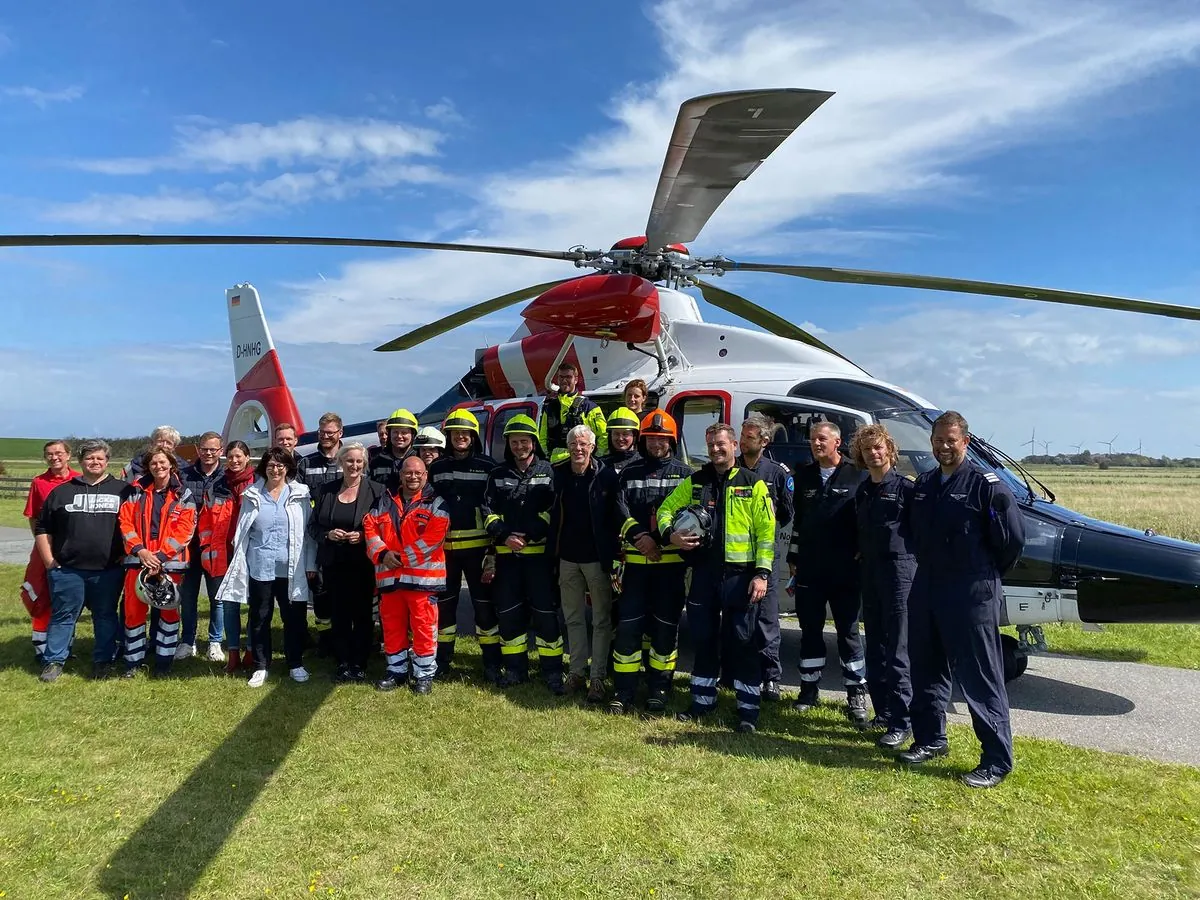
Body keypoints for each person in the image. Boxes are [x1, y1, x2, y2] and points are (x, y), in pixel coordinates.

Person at [899, 411, 1025, 789]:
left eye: (950, 440)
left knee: (979, 676)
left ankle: (996, 760)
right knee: (926, 666)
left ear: (965, 442)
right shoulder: (925, 484)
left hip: (971, 590)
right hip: (929, 586)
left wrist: (980, 574)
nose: (943, 446)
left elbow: (1011, 541)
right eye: (938, 440)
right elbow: (913, 532)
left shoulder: (987, 486)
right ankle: (930, 739)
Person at [660, 423, 775, 732]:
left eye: (721, 444)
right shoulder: (696, 481)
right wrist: (671, 535)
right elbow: (666, 509)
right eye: (711, 445)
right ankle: (701, 702)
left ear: (734, 445)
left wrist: (762, 574)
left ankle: (748, 712)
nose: (715, 449)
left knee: (742, 641)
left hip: (741, 577)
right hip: (704, 574)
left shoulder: (754, 484)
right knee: (704, 639)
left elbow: (767, 534)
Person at [608, 411, 692, 715]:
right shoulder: (628, 473)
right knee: (628, 627)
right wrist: (640, 536)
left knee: (665, 629)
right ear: (644, 440)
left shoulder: (686, 475)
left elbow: (691, 518)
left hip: (670, 568)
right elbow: (618, 509)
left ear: (670, 440)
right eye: (651, 438)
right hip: (635, 566)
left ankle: (659, 688)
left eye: (662, 438)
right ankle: (623, 690)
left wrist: (663, 541)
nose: (656, 443)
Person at [787, 421, 869, 725]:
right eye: (812, 440)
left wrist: (863, 548)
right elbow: (799, 524)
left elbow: (865, 520)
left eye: (822, 439)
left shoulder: (856, 475)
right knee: (810, 630)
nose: (816, 444)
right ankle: (808, 689)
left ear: (837, 443)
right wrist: (793, 556)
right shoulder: (804, 476)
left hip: (846, 570)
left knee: (848, 632)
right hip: (810, 568)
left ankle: (855, 692)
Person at [215, 447, 316, 687]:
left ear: (288, 468)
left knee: (294, 617)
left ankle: (295, 663)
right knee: (259, 617)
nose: (275, 469)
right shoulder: (252, 495)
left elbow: (308, 534)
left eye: (280, 465)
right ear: (264, 468)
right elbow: (242, 533)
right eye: (271, 465)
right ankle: (260, 665)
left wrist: (310, 564)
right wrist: (241, 565)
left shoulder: (300, 494)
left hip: (291, 567)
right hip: (260, 567)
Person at [35, 439, 132, 682]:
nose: (95, 462)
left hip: (108, 570)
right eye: (89, 458)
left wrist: (126, 553)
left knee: (105, 615)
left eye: (100, 458)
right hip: (67, 570)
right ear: (80, 462)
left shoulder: (123, 490)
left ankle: (103, 661)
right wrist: (48, 560)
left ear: (107, 461)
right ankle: (54, 661)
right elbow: (42, 527)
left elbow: (135, 524)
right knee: (63, 615)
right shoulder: (62, 491)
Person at [482, 414, 564, 694]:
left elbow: (552, 511)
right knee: (508, 613)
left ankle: (552, 671)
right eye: (514, 442)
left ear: (533, 442)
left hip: (539, 558)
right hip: (507, 558)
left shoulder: (548, 471)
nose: (520, 446)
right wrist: (505, 535)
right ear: (508, 444)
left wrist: (527, 535)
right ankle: (516, 669)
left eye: (525, 441)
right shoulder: (497, 474)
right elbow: (487, 512)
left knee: (545, 614)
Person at [850, 424, 917, 749]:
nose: (873, 454)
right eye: (867, 450)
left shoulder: (906, 488)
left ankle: (902, 723)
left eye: (878, 448)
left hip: (899, 573)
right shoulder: (864, 490)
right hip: (871, 572)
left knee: (898, 650)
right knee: (874, 645)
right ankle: (884, 712)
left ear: (889, 450)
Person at [363, 456, 450, 694]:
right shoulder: (383, 501)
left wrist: (399, 558)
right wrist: (382, 554)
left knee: (424, 627)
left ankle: (423, 675)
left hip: (422, 581)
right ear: (401, 475)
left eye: (418, 473)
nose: (413, 477)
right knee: (392, 626)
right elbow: (369, 528)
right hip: (390, 580)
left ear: (425, 476)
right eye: (408, 473)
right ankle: (396, 671)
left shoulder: (436, 503)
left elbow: (434, 539)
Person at [549, 424, 619, 703]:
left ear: (592, 447)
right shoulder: (559, 474)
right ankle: (576, 673)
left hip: (597, 560)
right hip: (567, 558)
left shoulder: (606, 476)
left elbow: (617, 514)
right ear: (568, 447)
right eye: (574, 444)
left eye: (583, 444)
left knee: (602, 621)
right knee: (573, 618)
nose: (578, 449)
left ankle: (598, 678)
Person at [428, 408, 500, 679]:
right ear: (448, 436)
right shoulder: (436, 468)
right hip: (444, 551)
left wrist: (492, 550)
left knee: (483, 606)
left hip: (478, 549)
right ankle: (442, 662)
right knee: (445, 607)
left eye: (465, 433)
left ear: (473, 436)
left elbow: (494, 507)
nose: (460, 437)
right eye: (455, 433)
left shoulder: (487, 466)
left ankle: (492, 663)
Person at [117, 449, 197, 678]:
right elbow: (125, 522)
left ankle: (164, 662)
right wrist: (141, 551)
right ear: (147, 466)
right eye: (154, 463)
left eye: (163, 462)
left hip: (170, 565)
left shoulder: (183, 493)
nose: (158, 466)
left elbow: (185, 530)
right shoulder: (135, 490)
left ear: (171, 465)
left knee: (168, 613)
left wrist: (160, 557)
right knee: (133, 612)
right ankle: (132, 663)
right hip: (137, 561)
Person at [309, 442, 385, 682]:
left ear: (364, 464)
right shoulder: (326, 490)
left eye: (359, 461)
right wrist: (327, 535)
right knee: (339, 615)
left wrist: (364, 536)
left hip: (363, 562)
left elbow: (385, 526)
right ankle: (342, 662)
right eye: (349, 461)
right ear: (341, 462)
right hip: (333, 563)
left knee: (363, 615)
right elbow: (313, 526)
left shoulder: (377, 491)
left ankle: (359, 663)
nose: (354, 465)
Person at [736, 413, 794, 702]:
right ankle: (734, 673)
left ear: (764, 441)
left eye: (748, 436)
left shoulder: (776, 473)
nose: (742, 440)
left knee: (767, 620)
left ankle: (772, 678)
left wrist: (765, 524)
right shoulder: (731, 469)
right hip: (734, 556)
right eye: (742, 434)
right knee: (736, 619)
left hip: (764, 557)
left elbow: (786, 512)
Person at [197, 440, 255, 673]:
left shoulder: (258, 484)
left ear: (247, 458)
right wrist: (206, 548)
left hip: (252, 553)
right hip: (223, 553)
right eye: (231, 457)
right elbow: (205, 522)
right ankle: (232, 654)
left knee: (254, 604)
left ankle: (251, 652)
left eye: (239, 456)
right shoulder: (217, 487)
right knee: (228, 605)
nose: (235, 460)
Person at [20, 440, 79, 664]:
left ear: (68, 456)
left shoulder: (78, 480)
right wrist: (42, 543)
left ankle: (65, 644)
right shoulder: (39, 482)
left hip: (72, 546)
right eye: (49, 454)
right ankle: (41, 645)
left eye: (59, 453)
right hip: (45, 545)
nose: (54, 457)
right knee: (40, 592)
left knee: (67, 596)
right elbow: (33, 516)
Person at [298, 412, 346, 655]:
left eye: (330, 433)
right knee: (319, 589)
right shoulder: (306, 464)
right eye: (322, 432)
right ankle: (325, 639)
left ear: (340, 433)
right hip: (317, 536)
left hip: (346, 537)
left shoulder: (349, 460)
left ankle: (346, 636)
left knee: (346, 589)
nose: (325, 436)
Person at [177, 431, 226, 662]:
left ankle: (215, 642)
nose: (208, 453)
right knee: (188, 597)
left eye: (213, 450)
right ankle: (187, 641)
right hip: (188, 547)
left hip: (216, 547)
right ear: (198, 449)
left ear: (221, 450)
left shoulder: (227, 476)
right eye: (205, 449)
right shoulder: (183, 475)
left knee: (218, 598)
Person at [538, 361, 607, 465]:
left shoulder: (590, 407)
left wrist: (596, 460)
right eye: (561, 377)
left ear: (576, 379)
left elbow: (603, 436)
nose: (564, 380)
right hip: (555, 464)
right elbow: (542, 437)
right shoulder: (550, 408)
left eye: (568, 377)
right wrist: (546, 458)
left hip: (582, 464)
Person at [368, 407, 418, 487]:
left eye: (404, 432)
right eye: (395, 432)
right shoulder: (377, 462)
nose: (399, 436)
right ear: (390, 433)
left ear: (412, 435)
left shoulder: (420, 460)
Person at [601, 407, 642, 473]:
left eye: (625, 434)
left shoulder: (643, 464)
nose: (620, 438)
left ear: (634, 436)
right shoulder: (599, 465)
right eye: (616, 433)